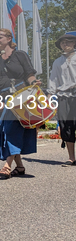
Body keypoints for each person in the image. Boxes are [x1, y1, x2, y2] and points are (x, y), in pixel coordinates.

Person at [0, 28, 39, 178]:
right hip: (3, 97)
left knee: (11, 129)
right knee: (8, 130)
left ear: (9, 38)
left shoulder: (20, 55)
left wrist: (34, 84)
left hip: (21, 95)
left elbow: (29, 74)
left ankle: (7, 166)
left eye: (0, 37)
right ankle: (19, 167)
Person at [47, 31, 76, 166]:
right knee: (66, 126)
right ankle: (71, 157)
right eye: (63, 42)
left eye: (68, 41)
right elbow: (53, 79)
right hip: (64, 95)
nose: (65, 44)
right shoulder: (58, 62)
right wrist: (49, 95)